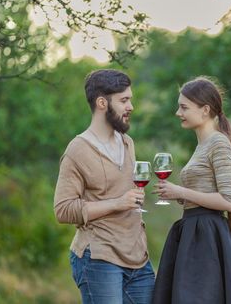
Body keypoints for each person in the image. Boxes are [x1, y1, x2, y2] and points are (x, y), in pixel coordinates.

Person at [152, 76, 231, 304]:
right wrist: (178, 195)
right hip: (194, 232)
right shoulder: (203, 145)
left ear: (205, 110)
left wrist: (181, 192)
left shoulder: (218, 143)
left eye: (184, 107)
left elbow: (228, 201)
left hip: (207, 236)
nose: (178, 112)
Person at [54, 69, 155, 304]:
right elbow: (63, 209)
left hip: (138, 258)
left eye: (130, 99)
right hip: (99, 258)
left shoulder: (127, 142)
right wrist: (117, 203)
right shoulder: (78, 150)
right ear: (102, 103)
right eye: (124, 100)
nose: (131, 106)